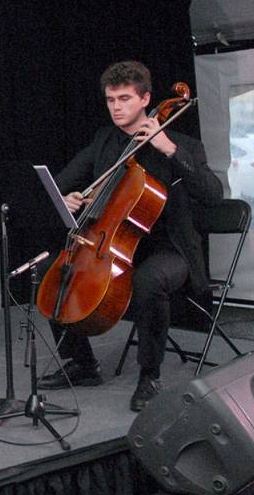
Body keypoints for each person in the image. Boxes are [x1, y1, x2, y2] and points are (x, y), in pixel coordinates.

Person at [37, 61, 223, 412]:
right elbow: (61, 181)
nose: (117, 107)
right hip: (114, 243)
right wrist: (66, 197)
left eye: (125, 98)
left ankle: (149, 376)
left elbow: (214, 194)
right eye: (110, 100)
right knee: (56, 274)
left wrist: (168, 147)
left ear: (146, 99)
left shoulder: (182, 144)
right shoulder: (104, 141)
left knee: (149, 280)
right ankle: (81, 364)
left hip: (170, 247)